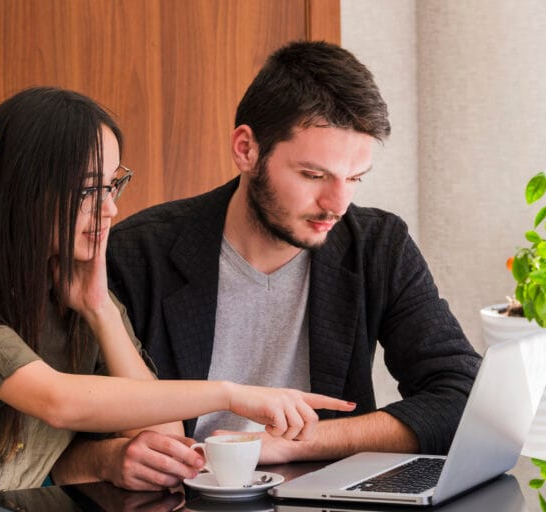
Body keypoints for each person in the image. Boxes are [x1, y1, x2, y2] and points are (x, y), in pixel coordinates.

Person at [0, 86, 354, 510]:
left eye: (113, 185)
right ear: (22, 191)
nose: (111, 209)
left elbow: (168, 438)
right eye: (87, 192)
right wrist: (232, 394)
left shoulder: (77, 283)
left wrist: (100, 310)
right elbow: (55, 400)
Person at [55, 41, 482, 488]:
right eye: (313, 176)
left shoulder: (377, 246)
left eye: (354, 178)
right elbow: (53, 440)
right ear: (246, 149)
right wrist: (109, 458)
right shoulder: (137, 254)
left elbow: (461, 398)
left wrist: (299, 442)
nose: (337, 204)